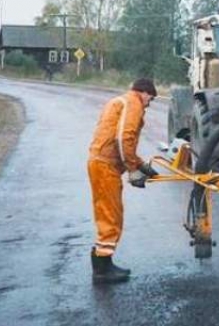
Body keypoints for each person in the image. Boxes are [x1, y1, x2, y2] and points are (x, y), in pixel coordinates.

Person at [87, 78, 159, 283]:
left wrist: (141, 164)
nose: (148, 104)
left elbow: (116, 137)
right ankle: (102, 269)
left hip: (101, 163)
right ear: (144, 93)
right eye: (150, 100)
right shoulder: (133, 103)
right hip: (105, 166)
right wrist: (132, 170)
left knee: (107, 212)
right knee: (111, 215)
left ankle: (104, 264)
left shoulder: (119, 101)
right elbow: (123, 138)